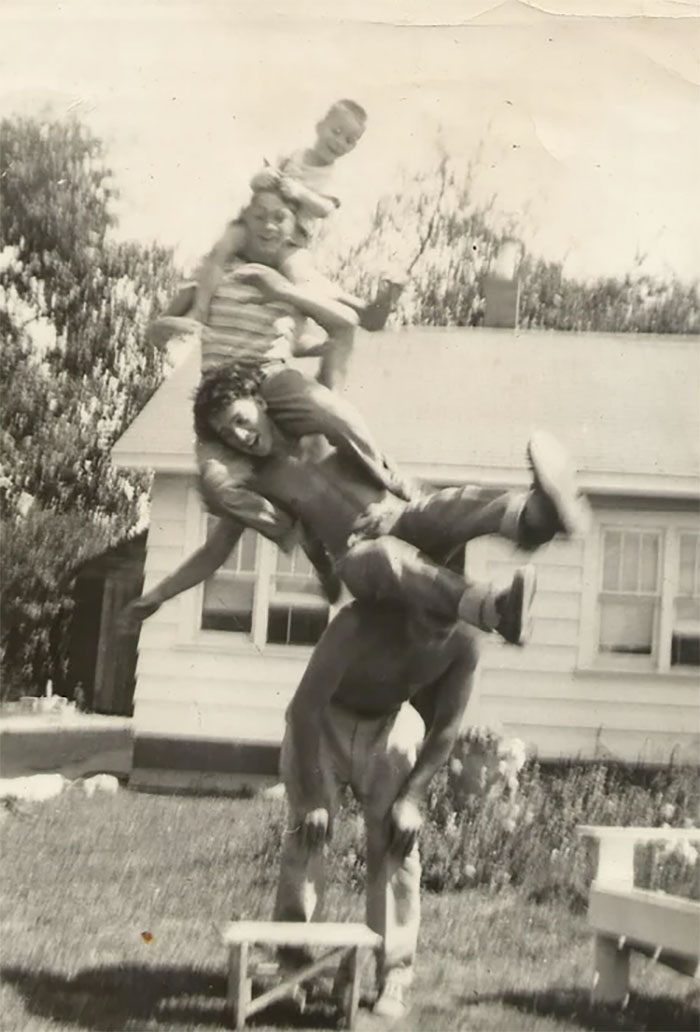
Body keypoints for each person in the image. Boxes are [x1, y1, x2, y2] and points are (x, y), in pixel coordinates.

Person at [122, 361, 590, 645]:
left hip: (397, 515)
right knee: (383, 556)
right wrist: (157, 595)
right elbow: (212, 552)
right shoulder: (258, 483)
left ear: (261, 404)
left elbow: (339, 382)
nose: (243, 437)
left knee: (449, 503)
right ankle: (493, 608)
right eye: (229, 435)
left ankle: (538, 516)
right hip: (357, 559)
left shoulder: (315, 429)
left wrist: (396, 498)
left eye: (242, 420)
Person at [150, 184, 415, 575]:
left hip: (269, 374)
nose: (268, 227)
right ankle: (293, 532)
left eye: (279, 218)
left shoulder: (301, 275)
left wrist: (387, 296)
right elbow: (160, 327)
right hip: (220, 397)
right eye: (259, 217)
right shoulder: (214, 269)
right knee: (217, 488)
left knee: (331, 412)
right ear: (244, 222)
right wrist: (166, 328)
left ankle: (389, 479)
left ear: (292, 227)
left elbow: (367, 319)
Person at [274, 600, 480, 1021]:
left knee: (398, 843)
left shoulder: (466, 643)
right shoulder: (358, 620)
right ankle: (294, 967)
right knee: (306, 835)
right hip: (323, 719)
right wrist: (313, 795)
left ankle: (394, 975)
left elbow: (446, 727)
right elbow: (304, 706)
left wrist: (412, 800)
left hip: (390, 722)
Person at [187, 98, 402, 332]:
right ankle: (200, 308)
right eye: (336, 131)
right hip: (255, 225)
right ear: (320, 126)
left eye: (349, 140)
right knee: (222, 248)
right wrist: (261, 178)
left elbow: (325, 208)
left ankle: (361, 309)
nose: (340, 142)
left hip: (291, 239)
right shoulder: (293, 153)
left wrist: (301, 193)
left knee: (303, 277)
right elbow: (261, 176)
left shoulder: (332, 177)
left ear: (353, 147)